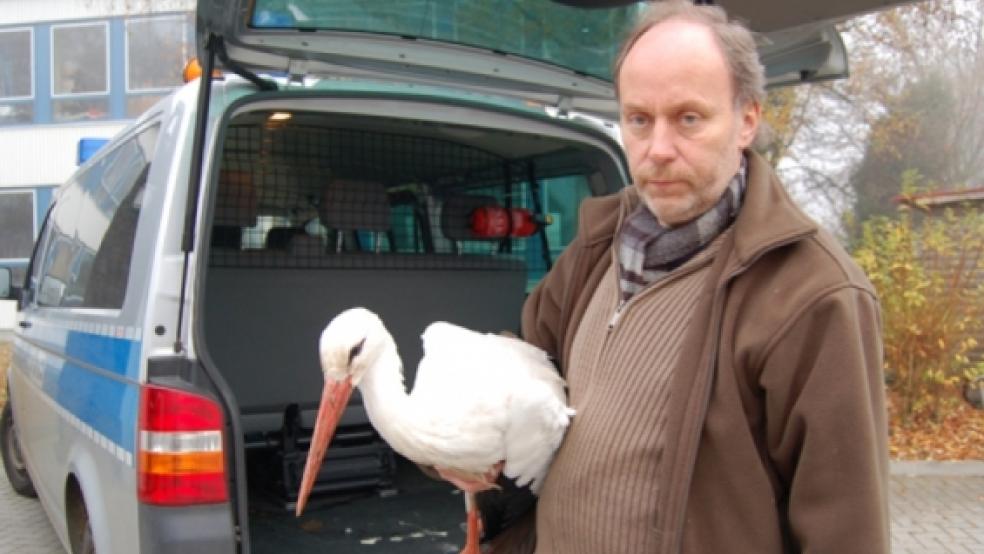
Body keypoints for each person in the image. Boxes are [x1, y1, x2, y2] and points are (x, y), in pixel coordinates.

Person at [445, 1, 890, 553]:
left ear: (747, 119)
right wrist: (468, 442)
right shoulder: (594, 249)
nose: (657, 149)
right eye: (639, 119)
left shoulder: (813, 296)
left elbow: (845, 532)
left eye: (688, 119)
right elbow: (520, 377)